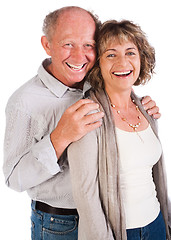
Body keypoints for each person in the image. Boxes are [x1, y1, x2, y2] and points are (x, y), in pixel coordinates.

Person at [3, 7, 161, 240]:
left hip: (112, 217)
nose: (79, 57)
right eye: (68, 44)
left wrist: (140, 106)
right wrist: (60, 137)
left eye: (88, 45)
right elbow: (14, 179)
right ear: (47, 45)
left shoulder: (96, 80)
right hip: (60, 223)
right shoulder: (24, 102)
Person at [68, 20, 171, 240]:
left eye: (131, 52)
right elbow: (86, 196)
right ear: (98, 64)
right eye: (111, 55)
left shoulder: (146, 109)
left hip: (157, 224)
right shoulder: (88, 115)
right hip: (120, 232)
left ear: (142, 59)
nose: (123, 62)